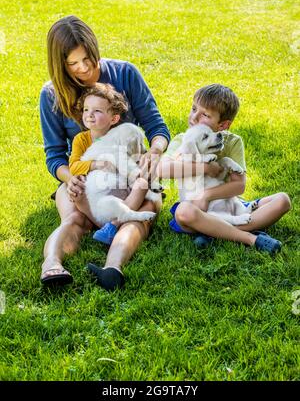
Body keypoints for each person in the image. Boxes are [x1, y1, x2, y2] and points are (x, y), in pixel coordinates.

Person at [40, 15, 171, 291]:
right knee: (74, 218)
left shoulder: (125, 73)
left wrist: (155, 151)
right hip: (84, 178)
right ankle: (52, 265)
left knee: (142, 212)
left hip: (132, 176)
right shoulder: (52, 94)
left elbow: (156, 126)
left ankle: (112, 268)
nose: (84, 69)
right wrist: (69, 178)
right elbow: (54, 156)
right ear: (60, 65)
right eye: (73, 64)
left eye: (88, 58)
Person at [157, 84, 291, 253]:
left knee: (283, 200)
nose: (194, 117)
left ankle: (211, 231)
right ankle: (249, 237)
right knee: (184, 212)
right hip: (197, 209)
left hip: (229, 204)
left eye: (205, 114)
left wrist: (206, 195)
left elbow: (239, 186)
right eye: (193, 109)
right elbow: (162, 170)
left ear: (222, 125)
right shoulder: (184, 140)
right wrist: (205, 168)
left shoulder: (233, 142)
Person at [69, 82, 156, 242]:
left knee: (141, 186)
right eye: (86, 110)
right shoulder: (81, 140)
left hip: (122, 187)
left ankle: (113, 225)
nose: (89, 114)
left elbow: (131, 161)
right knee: (107, 201)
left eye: (97, 111)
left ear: (114, 118)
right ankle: (115, 223)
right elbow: (74, 167)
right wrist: (96, 164)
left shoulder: (121, 137)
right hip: (98, 193)